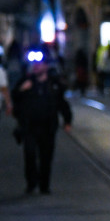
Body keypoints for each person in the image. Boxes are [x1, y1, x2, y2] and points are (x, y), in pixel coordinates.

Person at [13, 60, 72, 194]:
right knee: (30, 154)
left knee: (46, 157)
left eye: (39, 64)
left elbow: (62, 103)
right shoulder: (26, 81)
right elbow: (15, 97)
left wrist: (67, 120)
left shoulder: (53, 84)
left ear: (46, 66)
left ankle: (44, 185)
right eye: (34, 64)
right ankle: (31, 183)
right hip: (29, 126)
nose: (36, 67)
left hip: (48, 127)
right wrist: (22, 90)